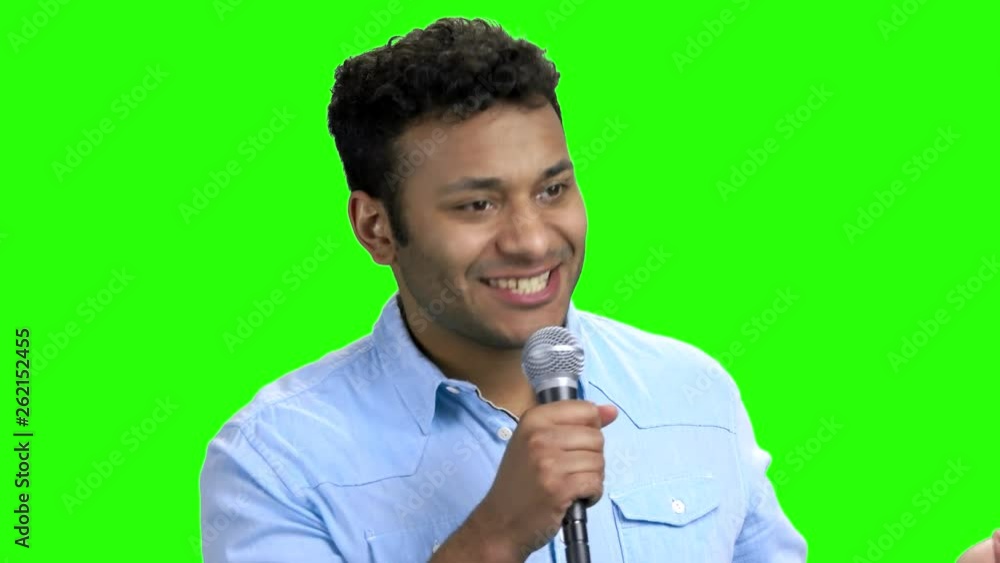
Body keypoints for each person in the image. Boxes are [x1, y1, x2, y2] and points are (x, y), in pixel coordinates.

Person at [198, 16, 807, 562]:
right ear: (376, 228)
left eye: (552, 191)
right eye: (478, 205)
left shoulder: (692, 392)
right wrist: (494, 538)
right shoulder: (275, 462)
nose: (533, 242)